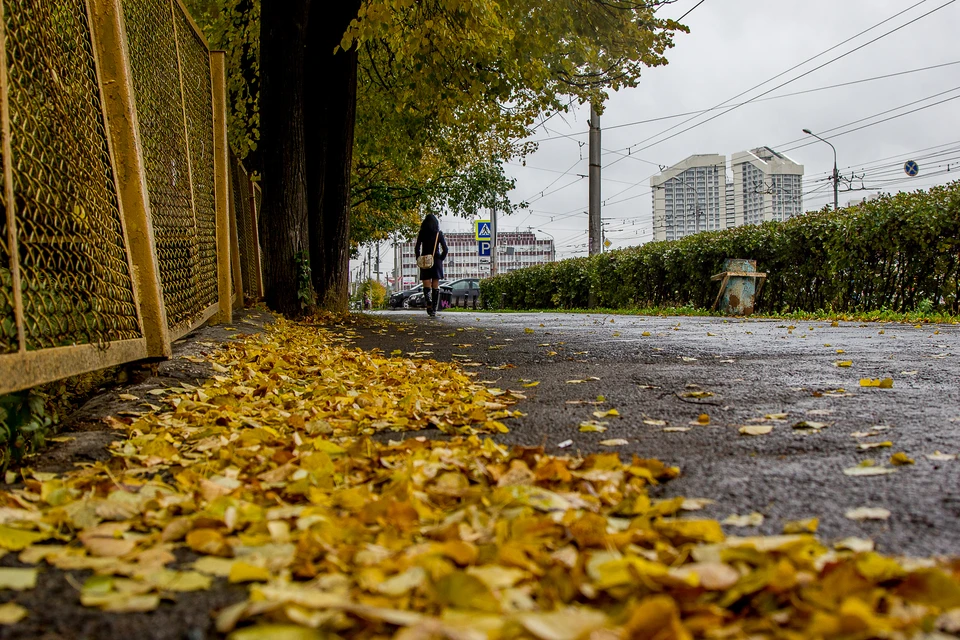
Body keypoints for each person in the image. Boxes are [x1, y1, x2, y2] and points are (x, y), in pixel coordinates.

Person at [414, 213, 448, 317]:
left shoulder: (422, 233)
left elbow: (417, 248)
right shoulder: (439, 234)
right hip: (436, 260)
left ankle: (428, 302)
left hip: (425, 260)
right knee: (435, 285)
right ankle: (434, 308)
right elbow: (445, 249)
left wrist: (418, 258)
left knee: (426, 284)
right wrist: (440, 259)